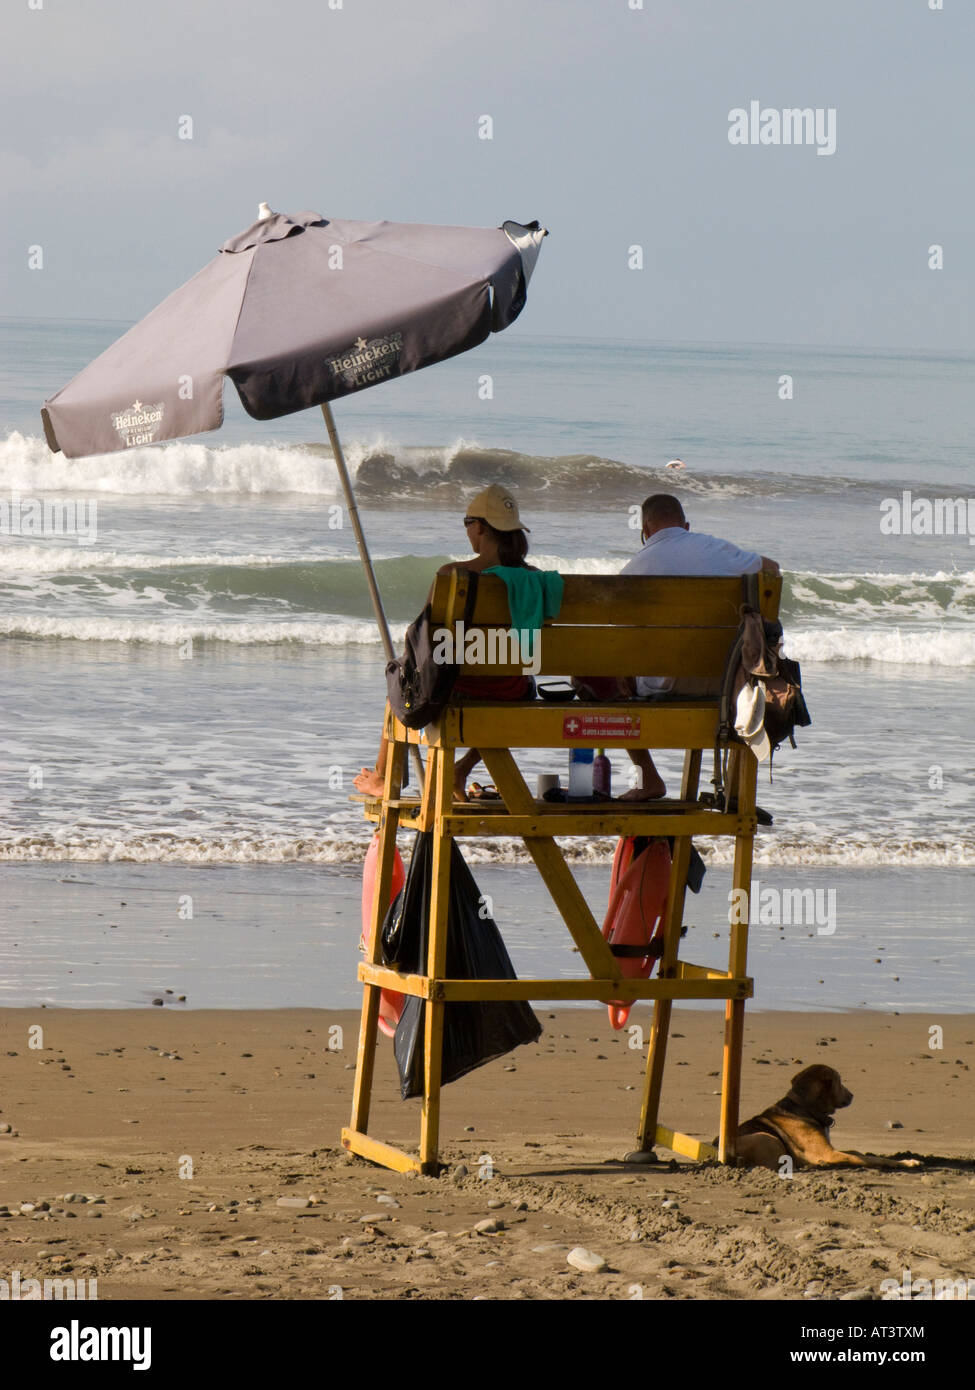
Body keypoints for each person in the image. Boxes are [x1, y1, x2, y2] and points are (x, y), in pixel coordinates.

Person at [353, 484, 535, 803]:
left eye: (467, 523)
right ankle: (461, 769)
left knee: (400, 678)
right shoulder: (535, 580)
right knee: (510, 681)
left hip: (456, 692)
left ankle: (385, 778)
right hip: (513, 691)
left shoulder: (452, 575)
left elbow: (426, 645)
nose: (467, 530)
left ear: (479, 527)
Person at [617, 493, 780, 800]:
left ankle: (648, 777)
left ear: (645, 532)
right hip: (726, 686)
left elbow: (623, 643)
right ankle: (735, 792)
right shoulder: (720, 549)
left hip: (659, 687)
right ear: (687, 526)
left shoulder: (632, 569)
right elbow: (772, 570)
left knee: (613, 681)